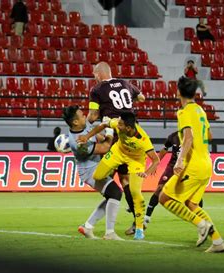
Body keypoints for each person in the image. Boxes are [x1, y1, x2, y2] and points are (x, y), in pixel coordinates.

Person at [159, 76, 224, 253]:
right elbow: (209, 136)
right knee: (191, 204)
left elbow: (188, 138)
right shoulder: (200, 110)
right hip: (206, 163)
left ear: (178, 92)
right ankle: (218, 241)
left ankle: (200, 225)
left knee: (164, 198)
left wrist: (180, 159)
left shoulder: (184, 112)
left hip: (193, 165)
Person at [77, 112, 160, 240]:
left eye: (120, 124)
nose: (117, 125)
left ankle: (139, 229)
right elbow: (103, 125)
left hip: (136, 160)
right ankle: (112, 196)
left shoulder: (143, 139)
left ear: (128, 128)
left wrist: (146, 173)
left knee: (135, 193)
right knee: (97, 176)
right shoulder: (117, 123)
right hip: (118, 152)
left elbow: (156, 160)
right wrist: (87, 136)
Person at [87, 61, 146, 236]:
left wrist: (87, 122)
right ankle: (137, 222)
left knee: (104, 180)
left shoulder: (96, 90)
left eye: (94, 75)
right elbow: (142, 98)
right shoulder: (125, 83)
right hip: (133, 132)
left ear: (99, 74)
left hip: (114, 133)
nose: (94, 78)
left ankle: (96, 222)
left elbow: (93, 115)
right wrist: (128, 101)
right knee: (125, 179)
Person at [63, 105, 123, 241]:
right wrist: (109, 131)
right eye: (82, 115)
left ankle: (88, 226)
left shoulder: (83, 126)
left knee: (112, 196)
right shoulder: (78, 143)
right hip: (89, 171)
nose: (85, 116)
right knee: (115, 193)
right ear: (75, 122)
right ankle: (109, 233)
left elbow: (94, 123)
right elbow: (105, 147)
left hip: (97, 166)